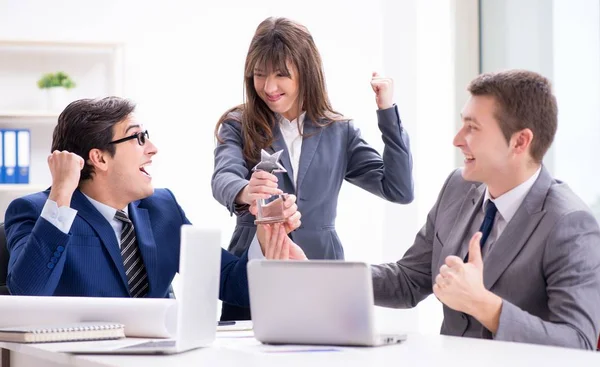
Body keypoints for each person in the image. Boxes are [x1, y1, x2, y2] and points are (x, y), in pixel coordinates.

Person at [371, 70, 600, 350]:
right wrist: (318, 275)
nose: (457, 139)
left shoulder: (569, 224)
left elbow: (579, 343)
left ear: (520, 142)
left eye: (473, 127)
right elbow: (408, 281)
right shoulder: (458, 187)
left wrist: (485, 306)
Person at [4, 97, 304, 303]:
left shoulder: (163, 209)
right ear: (99, 158)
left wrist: (265, 240)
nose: (152, 148)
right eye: (138, 138)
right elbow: (28, 292)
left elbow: (228, 281)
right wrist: (60, 195)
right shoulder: (36, 212)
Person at [212, 17, 414, 320]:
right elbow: (223, 177)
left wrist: (387, 113)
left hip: (322, 270)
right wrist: (245, 191)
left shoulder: (338, 131)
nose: (269, 87)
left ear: (306, 72)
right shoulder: (238, 125)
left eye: (281, 74)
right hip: (256, 269)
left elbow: (398, 189)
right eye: (259, 75)